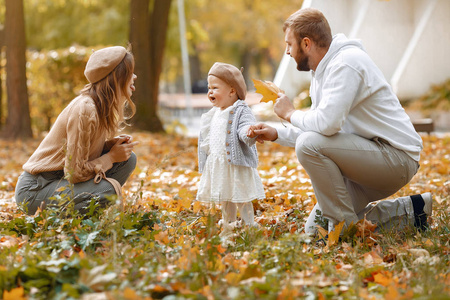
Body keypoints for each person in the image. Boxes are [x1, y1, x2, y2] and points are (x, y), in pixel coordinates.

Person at [248, 8, 432, 235]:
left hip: (395, 157)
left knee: (308, 147)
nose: (287, 51)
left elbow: (326, 126)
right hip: (364, 160)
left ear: (306, 44)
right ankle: (413, 211)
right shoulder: (321, 71)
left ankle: (346, 234)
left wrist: (290, 114)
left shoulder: (346, 63)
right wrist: (276, 133)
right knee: (315, 232)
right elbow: (320, 131)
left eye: (289, 44)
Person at [15, 46, 139, 215]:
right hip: (35, 190)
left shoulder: (100, 107)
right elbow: (75, 173)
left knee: (127, 159)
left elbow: (83, 153)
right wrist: (110, 157)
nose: (135, 77)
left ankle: (85, 213)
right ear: (118, 77)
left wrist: (109, 146)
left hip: (59, 182)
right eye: (130, 72)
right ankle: (81, 215)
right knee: (108, 190)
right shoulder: (85, 110)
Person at [196, 62, 265, 230]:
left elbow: (243, 128)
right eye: (209, 87)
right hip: (220, 165)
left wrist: (249, 132)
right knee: (225, 196)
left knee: (241, 196)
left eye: (215, 88)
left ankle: (249, 224)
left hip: (236, 164)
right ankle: (229, 224)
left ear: (232, 91)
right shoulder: (215, 112)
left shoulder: (240, 109)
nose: (210, 91)